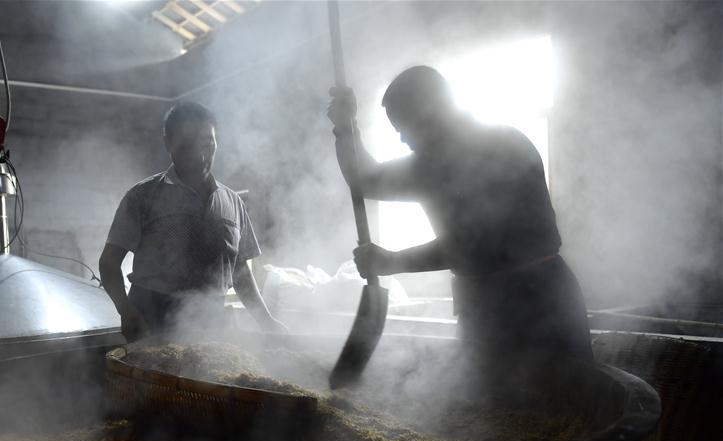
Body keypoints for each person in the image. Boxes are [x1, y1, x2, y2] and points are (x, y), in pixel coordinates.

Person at [327, 66, 593, 360]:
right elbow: (367, 180)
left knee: (550, 401)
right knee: (482, 402)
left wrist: (391, 260)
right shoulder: (431, 162)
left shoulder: (501, 147)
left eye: (403, 127)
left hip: (537, 306)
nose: (402, 139)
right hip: (481, 307)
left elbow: (476, 243)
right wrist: (345, 127)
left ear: (430, 113)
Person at [99, 101, 287, 341]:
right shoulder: (142, 196)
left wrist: (266, 321)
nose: (200, 155)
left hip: (212, 324)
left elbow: (239, 269)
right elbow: (109, 263)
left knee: (207, 376)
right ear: (168, 142)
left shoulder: (233, 203)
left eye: (208, 143)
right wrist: (126, 312)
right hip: (153, 321)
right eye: (187, 144)